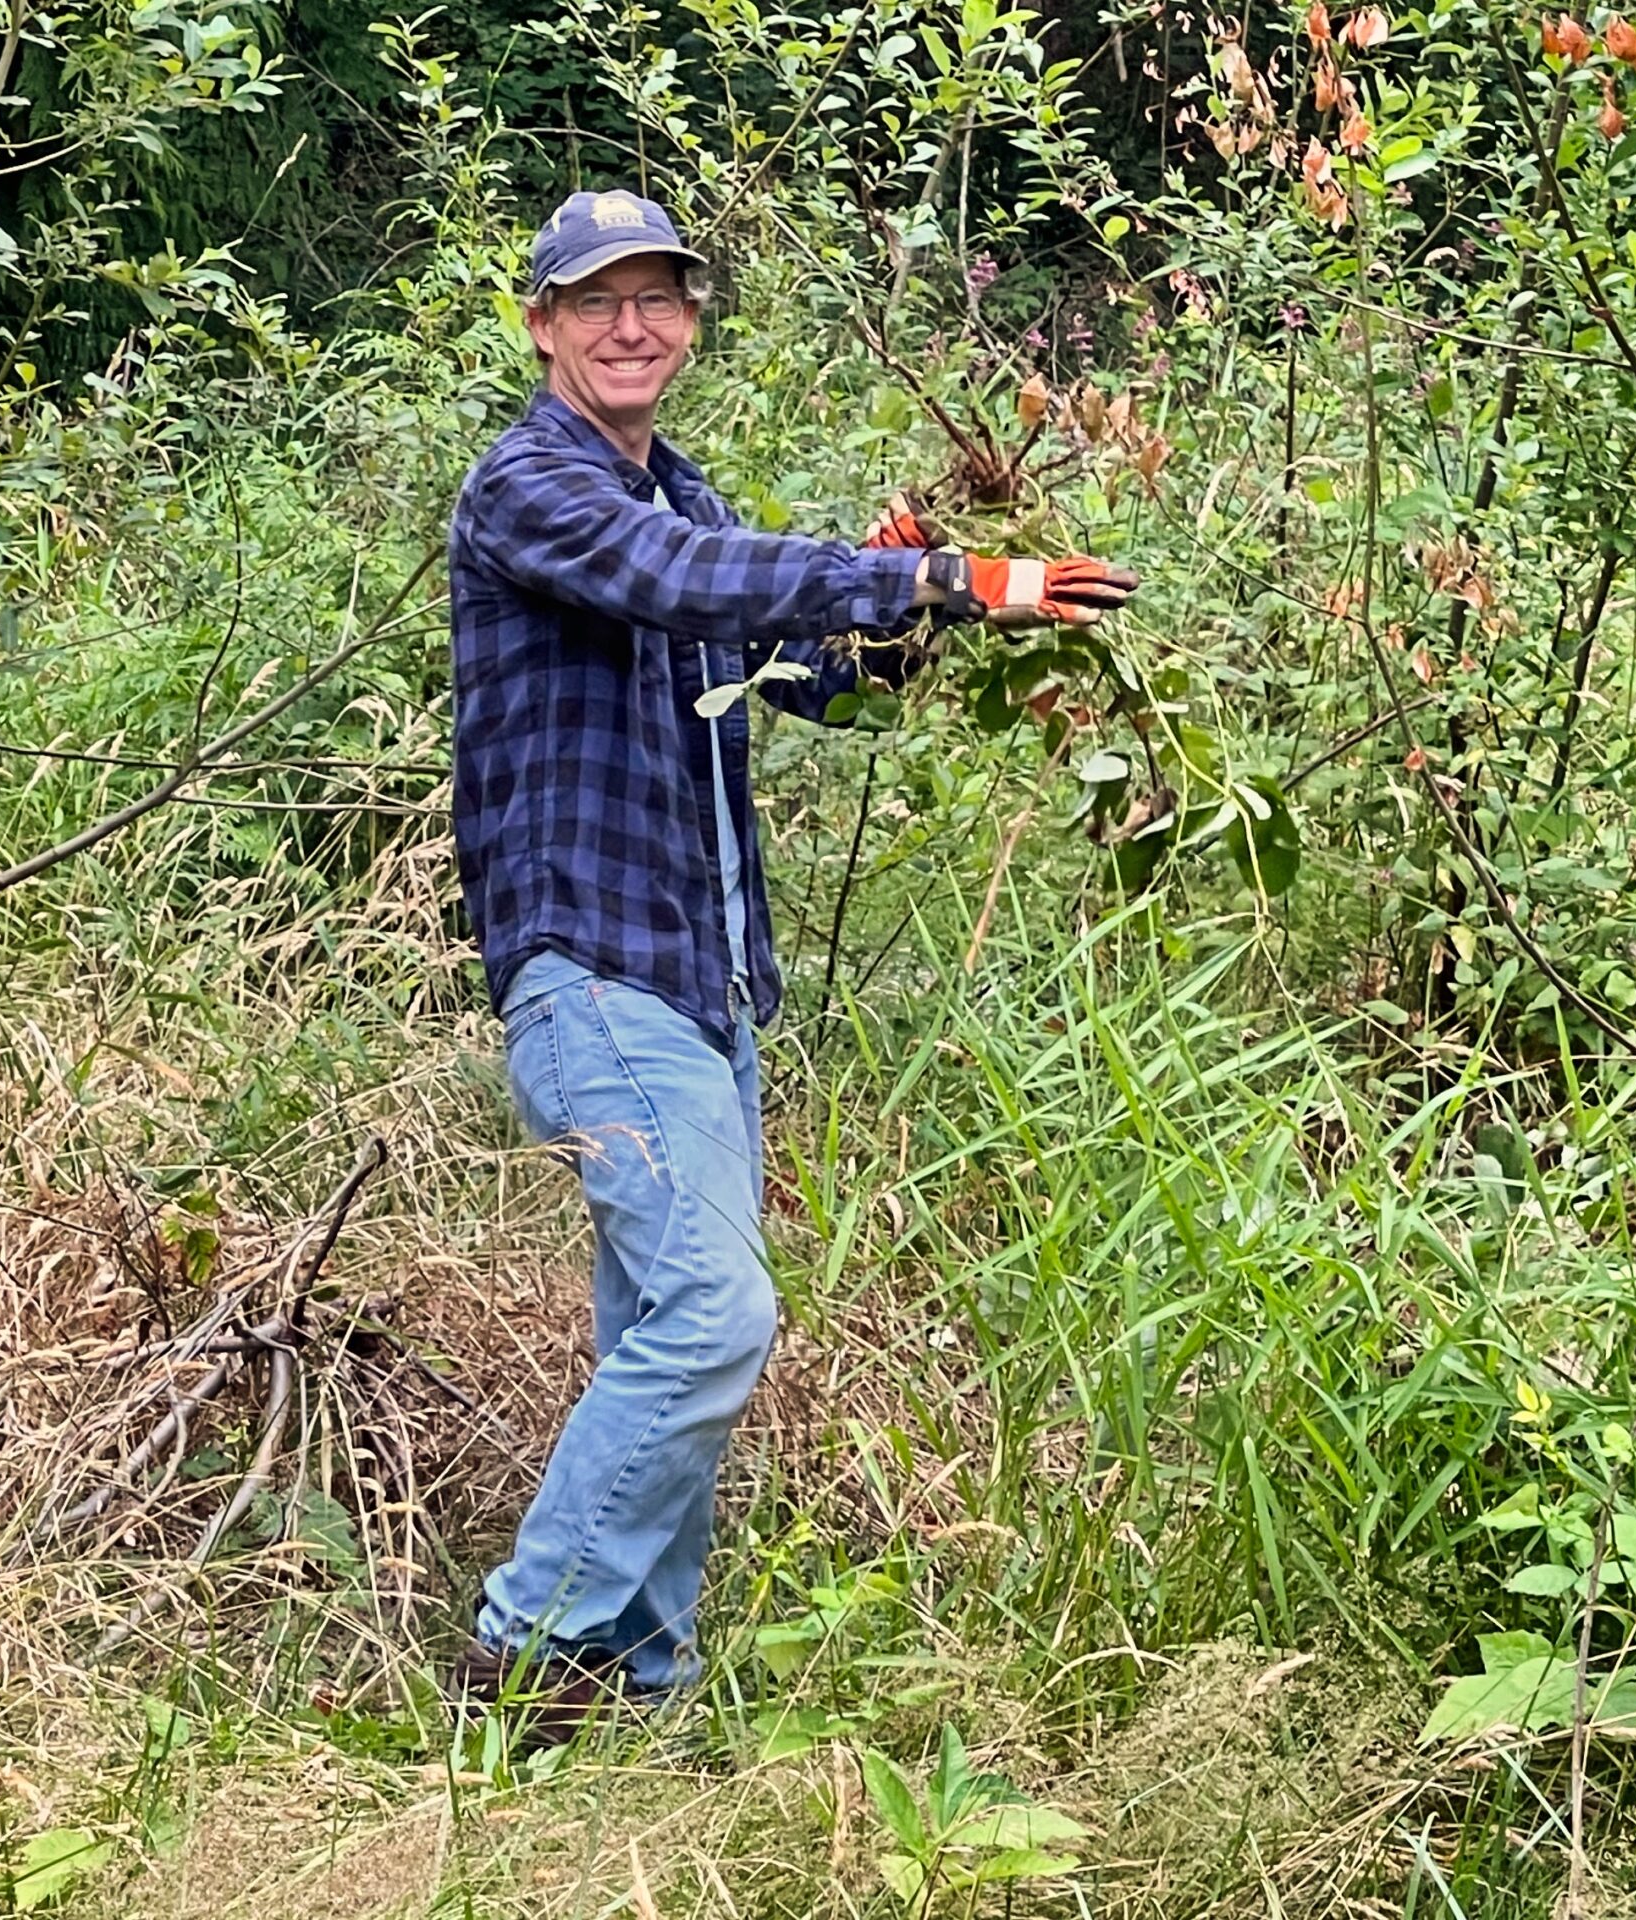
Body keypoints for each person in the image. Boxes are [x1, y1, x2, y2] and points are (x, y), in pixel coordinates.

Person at [447, 187, 1137, 1734]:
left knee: (657, 1334)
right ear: (545, 324)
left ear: (689, 323)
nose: (634, 326)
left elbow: (804, 672)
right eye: (598, 300)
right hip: (594, 971)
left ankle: (638, 1694)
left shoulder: (681, 501)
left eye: (661, 298)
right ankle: (525, 1640)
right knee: (714, 1318)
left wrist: (908, 618)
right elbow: (683, 587)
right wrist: (925, 577)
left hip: (703, 992)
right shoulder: (529, 490)